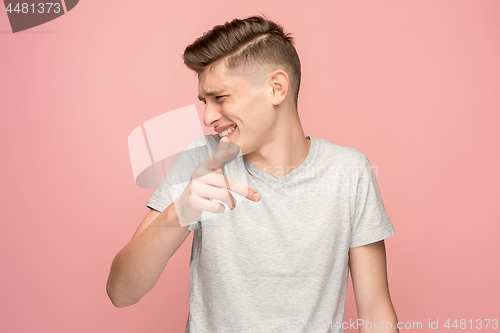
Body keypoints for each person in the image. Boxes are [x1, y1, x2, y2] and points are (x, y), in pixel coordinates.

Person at [107, 15, 399, 333]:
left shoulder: (349, 171)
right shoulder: (201, 159)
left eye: (220, 98)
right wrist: (178, 212)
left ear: (276, 88)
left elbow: (375, 311)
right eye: (205, 101)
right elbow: (121, 293)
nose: (208, 116)